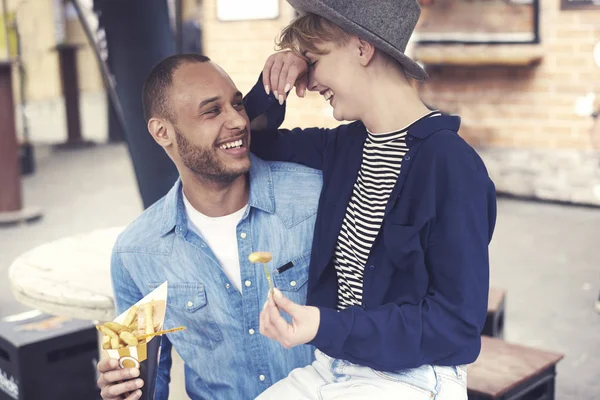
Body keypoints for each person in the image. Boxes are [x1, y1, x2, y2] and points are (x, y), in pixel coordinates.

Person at [245, 1, 498, 398]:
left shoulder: (451, 164)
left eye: (312, 61)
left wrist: (323, 326)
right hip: (333, 366)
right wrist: (272, 83)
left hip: (415, 374)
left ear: (362, 49)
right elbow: (252, 139)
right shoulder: (343, 145)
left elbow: (456, 326)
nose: (308, 82)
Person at [96, 53, 322, 400]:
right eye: (212, 111)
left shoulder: (314, 198)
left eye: (237, 105)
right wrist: (122, 390)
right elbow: (140, 380)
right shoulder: (135, 252)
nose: (237, 121)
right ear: (162, 132)